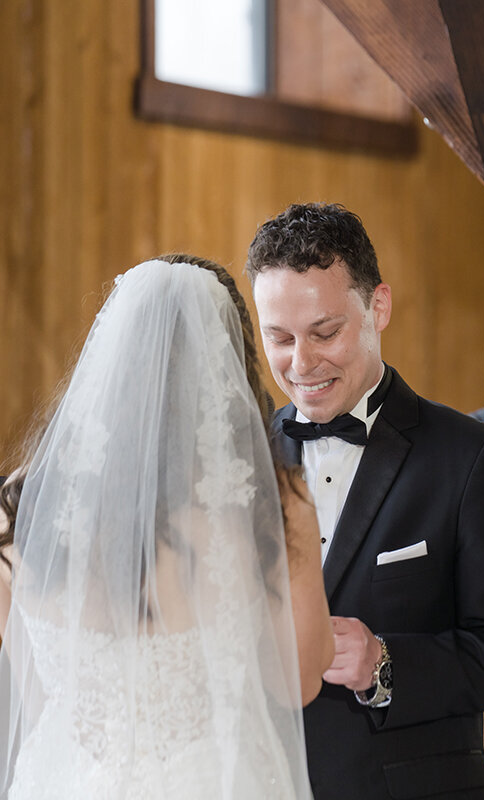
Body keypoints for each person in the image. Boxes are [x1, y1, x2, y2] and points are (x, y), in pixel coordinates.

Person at [247, 202, 484, 800]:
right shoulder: (241, 459)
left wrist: (384, 664)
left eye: (325, 332)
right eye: (278, 338)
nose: (301, 363)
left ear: (377, 307)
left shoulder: (475, 458)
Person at [0, 255, 333, 799]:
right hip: (209, 780)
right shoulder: (271, 501)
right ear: (228, 369)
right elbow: (296, 681)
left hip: (66, 779)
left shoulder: (19, 507)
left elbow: (32, 693)